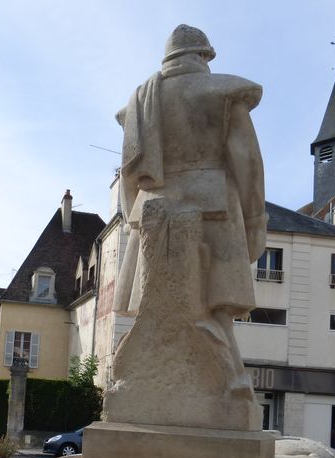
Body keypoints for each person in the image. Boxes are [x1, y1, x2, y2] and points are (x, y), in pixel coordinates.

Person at [112, 24, 267, 400]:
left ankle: (142, 383)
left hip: (151, 210)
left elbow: (128, 178)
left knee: (153, 308)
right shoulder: (223, 93)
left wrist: (133, 215)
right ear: (203, 55)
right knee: (216, 309)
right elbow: (247, 163)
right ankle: (228, 382)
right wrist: (255, 219)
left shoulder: (139, 104)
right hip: (211, 205)